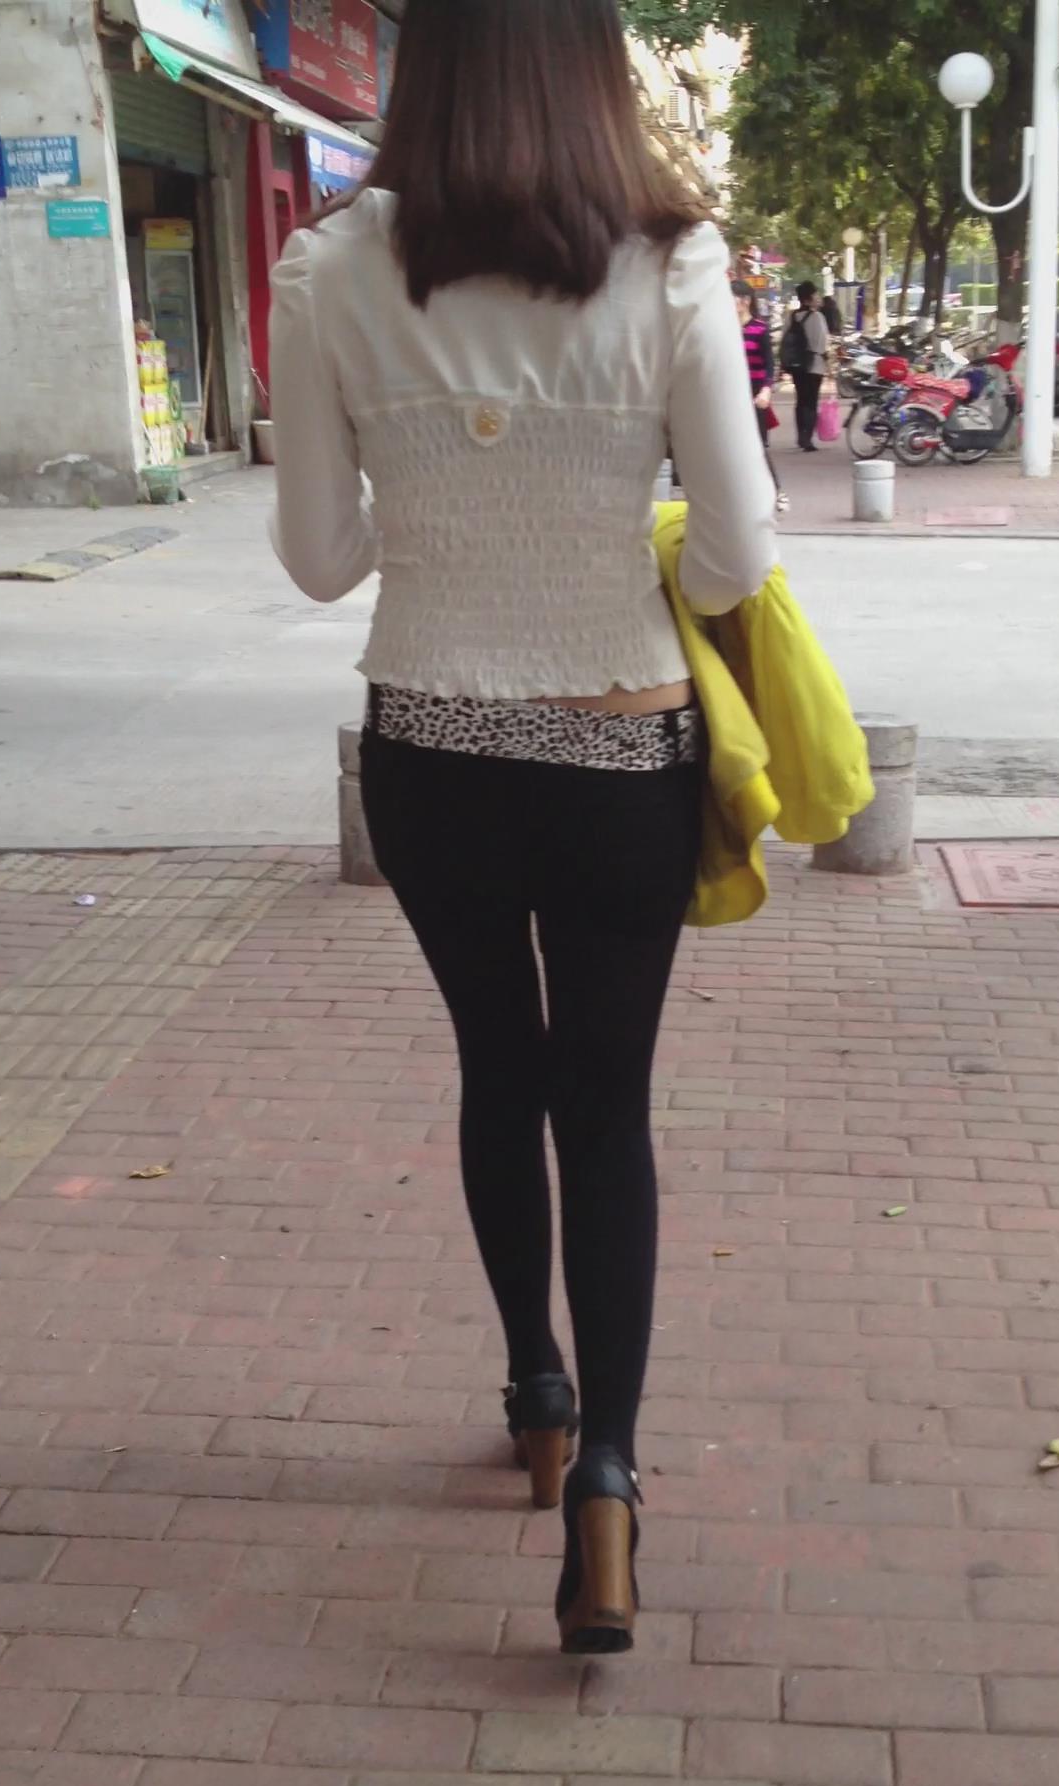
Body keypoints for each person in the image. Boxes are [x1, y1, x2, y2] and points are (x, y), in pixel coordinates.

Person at [268, 0, 776, 1656]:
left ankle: (537, 1393)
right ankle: (608, 1485)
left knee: (500, 1069)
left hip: (432, 749)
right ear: (588, 64)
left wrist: (438, 516)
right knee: (606, 1106)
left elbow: (320, 561)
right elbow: (739, 554)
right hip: (624, 751)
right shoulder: (671, 265)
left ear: (424, 65)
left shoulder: (329, 269)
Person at [732, 279, 789, 514]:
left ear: (745, 301)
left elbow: (769, 365)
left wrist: (766, 390)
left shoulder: (759, 329)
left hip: (755, 393)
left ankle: (777, 492)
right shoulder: (724, 329)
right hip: (731, 394)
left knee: (757, 446)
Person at [785, 282, 831, 451]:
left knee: (800, 400)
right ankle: (808, 439)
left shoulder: (792, 316)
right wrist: (827, 361)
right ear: (808, 299)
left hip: (797, 365)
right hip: (815, 364)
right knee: (811, 401)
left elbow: (785, 339)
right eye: (815, 295)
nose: (818, 298)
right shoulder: (817, 317)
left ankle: (800, 437)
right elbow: (822, 343)